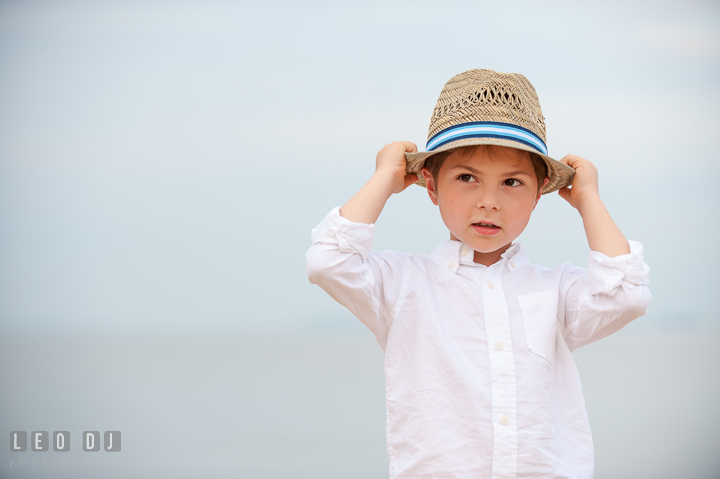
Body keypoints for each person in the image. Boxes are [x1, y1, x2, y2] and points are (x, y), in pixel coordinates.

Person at [305, 69, 652, 478]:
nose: (489, 201)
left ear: (540, 192)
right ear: (430, 186)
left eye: (512, 182)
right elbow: (328, 261)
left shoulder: (555, 289)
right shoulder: (404, 283)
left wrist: (589, 198)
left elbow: (626, 295)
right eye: (466, 178)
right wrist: (384, 176)